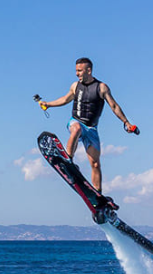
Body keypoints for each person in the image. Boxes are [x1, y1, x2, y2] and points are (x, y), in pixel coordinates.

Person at [38, 57, 138, 201]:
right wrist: (48, 104)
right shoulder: (75, 86)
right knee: (76, 128)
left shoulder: (102, 87)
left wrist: (126, 122)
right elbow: (65, 99)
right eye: (76, 71)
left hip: (91, 129)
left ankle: (98, 196)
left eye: (79, 71)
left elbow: (114, 106)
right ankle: (68, 160)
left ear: (88, 70)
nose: (77, 73)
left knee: (95, 164)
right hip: (76, 121)